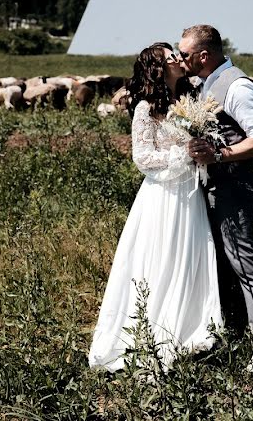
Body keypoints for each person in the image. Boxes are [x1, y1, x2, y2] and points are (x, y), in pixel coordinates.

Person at [88, 42, 223, 372]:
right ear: (158, 67)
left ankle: (190, 328)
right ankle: (154, 332)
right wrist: (185, 154)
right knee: (160, 259)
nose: (178, 58)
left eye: (176, 53)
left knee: (191, 256)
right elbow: (143, 158)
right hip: (163, 195)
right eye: (169, 56)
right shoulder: (146, 108)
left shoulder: (190, 99)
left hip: (191, 195)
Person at [178, 24, 253, 372]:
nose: (181, 59)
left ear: (203, 56)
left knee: (243, 261)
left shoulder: (237, 85)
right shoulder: (202, 84)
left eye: (185, 54)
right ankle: (222, 329)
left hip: (233, 186)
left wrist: (219, 156)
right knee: (217, 259)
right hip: (211, 185)